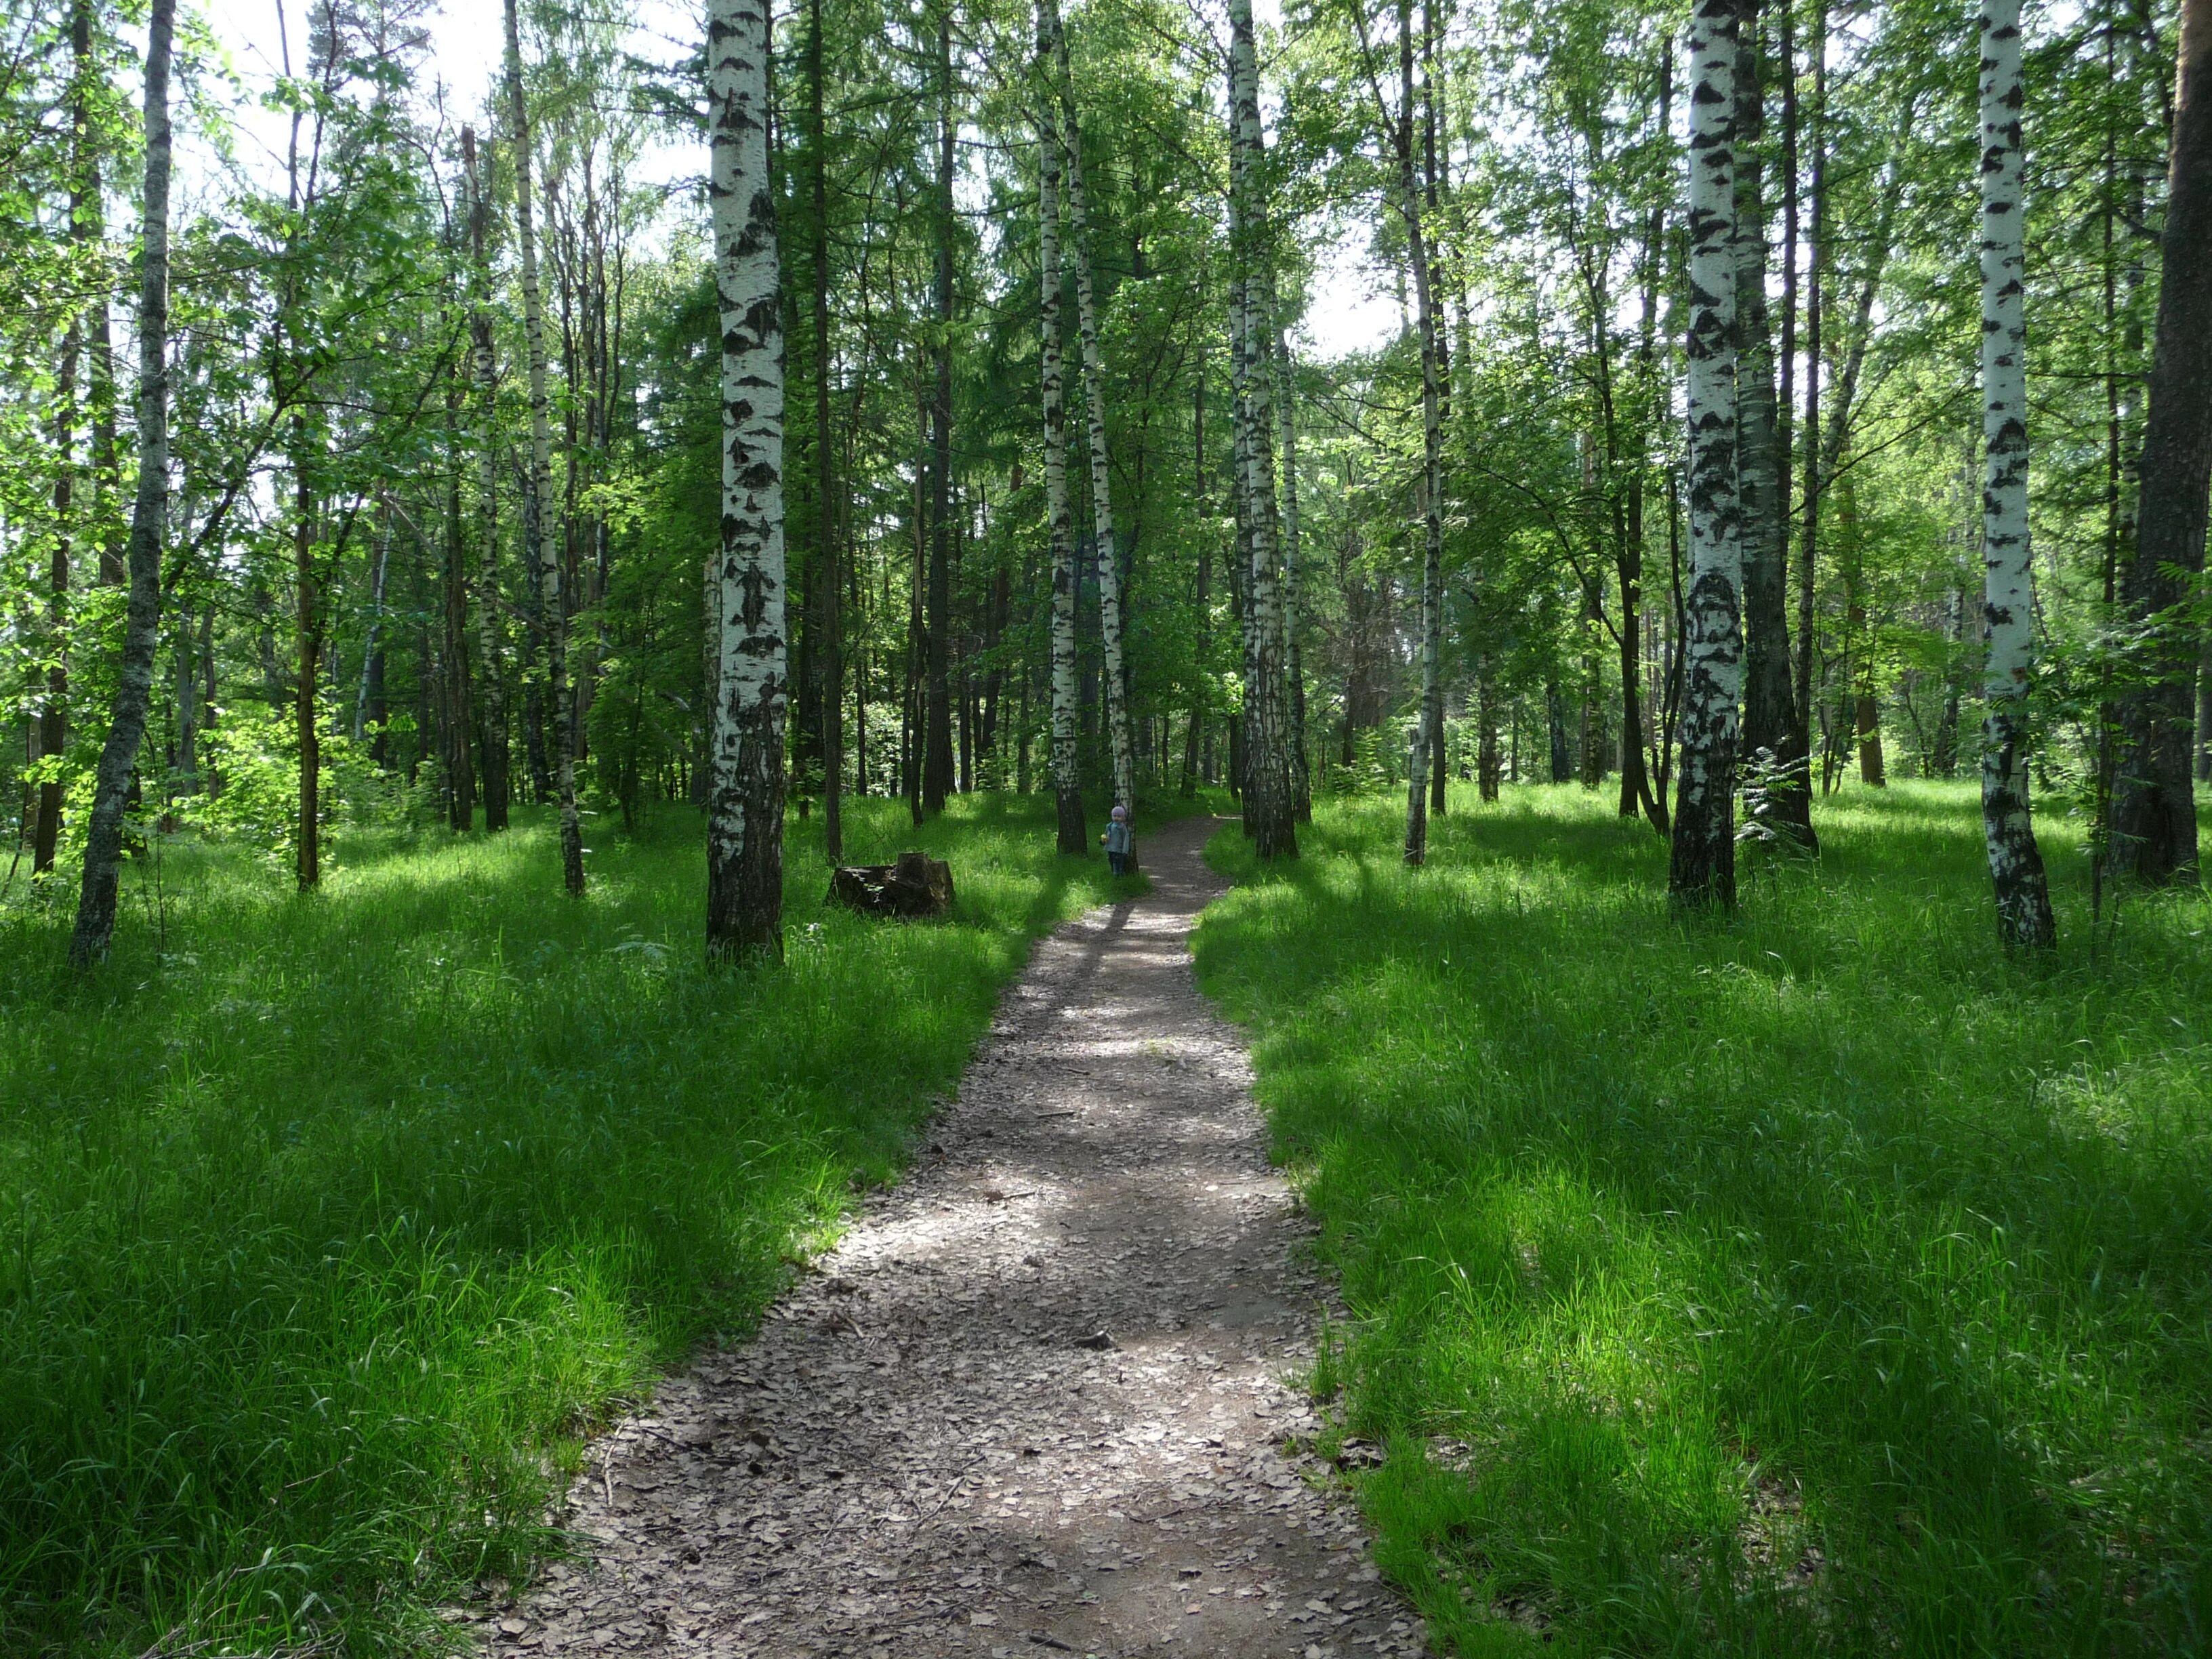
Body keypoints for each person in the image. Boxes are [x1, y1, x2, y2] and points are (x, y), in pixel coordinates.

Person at [1102, 804, 1133, 876]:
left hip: (1118, 849)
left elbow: (1125, 838)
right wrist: (1104, 841)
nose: (1116, 818)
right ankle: (1114, 873)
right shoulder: (1110, 826)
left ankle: (1118, 875)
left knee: (1117, 862)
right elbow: (1107, 836)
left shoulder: (1122, 828)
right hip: (1110, 848)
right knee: (1111, 860)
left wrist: (1125, 850)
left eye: (1119, 816)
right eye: (1114, 816)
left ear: (1123, 818)